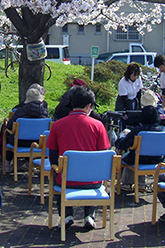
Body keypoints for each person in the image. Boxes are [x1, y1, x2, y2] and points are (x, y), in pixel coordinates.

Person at [46, 86, 110, 231]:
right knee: (90, 170)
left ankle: (66, 215)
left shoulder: (57, 125)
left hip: (66, 181)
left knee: (56, 174)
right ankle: (90, 215)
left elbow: (53, 156)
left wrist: (57, 168)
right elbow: (104, 155)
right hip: (93, 182)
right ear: (89, 106)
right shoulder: (98, 126)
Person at [115, 105, 165, 191]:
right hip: (158, 160)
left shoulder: (139, 131)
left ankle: (127, 183)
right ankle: (140, 184)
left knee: (130, 156)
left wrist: (121, 137)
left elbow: (122, 145)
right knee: (136, 154)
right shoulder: (163, 130)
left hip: (140, 160)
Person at [5, 84, 49, 166]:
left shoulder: (19, 112)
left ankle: (7, 163)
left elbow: (9, 127)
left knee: (8, 135)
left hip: (19, 142)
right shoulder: (45, 113)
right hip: (39, 143)